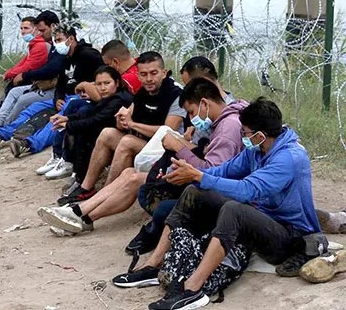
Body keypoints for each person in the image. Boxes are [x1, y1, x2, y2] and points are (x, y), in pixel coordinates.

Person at [112, 98, 320, 310]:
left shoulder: (290, 158)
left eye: (245, 133)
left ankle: (193, 289)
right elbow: (223, 171)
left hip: (289, 236)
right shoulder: (257, 149)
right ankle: (153, 266)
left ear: (260, 135)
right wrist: (191, 174)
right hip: (262, 220)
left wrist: (200, 176)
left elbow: (249, 190)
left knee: (234, 210)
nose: (243, 138)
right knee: (195, 192)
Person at [38, 77, 246, 237]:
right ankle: (79, 213)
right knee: (130, 172)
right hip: (197, 179)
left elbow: (211, 173)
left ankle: (81, 216)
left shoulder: (228, 127)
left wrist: (180, 148)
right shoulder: (226, 121)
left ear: (205, 103)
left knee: (135, 178)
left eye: (192, 112)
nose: (192, 119)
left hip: (206, 189)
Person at [57, 51, 185, 203]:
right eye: (143, 74)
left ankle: (104, 195)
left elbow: (167, 132)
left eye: (153, 73)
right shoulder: (142, 93)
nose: (149, 79)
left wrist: (133, 125)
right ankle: (86, 187)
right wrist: (122, 121)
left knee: (127, 142)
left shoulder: (176, 95)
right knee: (108, 133)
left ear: (164, 73)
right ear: (138, 75)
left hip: (167, 151)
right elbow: (126, 117)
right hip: (145, 144)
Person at [33, 39, 142, 178]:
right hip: (112, 111)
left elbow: (102, 98)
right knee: (74, 105)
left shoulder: (129, 78)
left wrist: (86, 85)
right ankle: (62, 156)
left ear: (115, 62)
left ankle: (76, 167)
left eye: (108, 65)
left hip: (118, 119)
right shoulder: (136, 65)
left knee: (84, 115)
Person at [7, 26, 103, 159]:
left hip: (81, 98)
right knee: (33, 107)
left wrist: (92, 89)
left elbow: (103, 77)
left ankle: (28, 144)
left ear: (70, 39)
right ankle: (4, 133)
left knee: (60, 115)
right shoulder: (65, 58)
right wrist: (58, 98)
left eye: (59, 40)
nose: (57, 44)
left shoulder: (88, 55)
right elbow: (61, 84)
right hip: (66, 97)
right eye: (55, 41)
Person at [0, 10, 63, 146]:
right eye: (21, 28)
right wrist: (13, 73)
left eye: (41, 30)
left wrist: (22, 75)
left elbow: (39, 68)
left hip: (53, 89)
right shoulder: (48, 46)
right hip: (48, 86)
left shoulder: (46, 46)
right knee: (14, 92)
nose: (40, 33)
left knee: (22, 99)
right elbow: (26, 63)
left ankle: (3, 130)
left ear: (53, 27)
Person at [40, 66, 133, 183]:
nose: (103, 88)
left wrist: (68, 125)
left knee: (85, 130)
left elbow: (97, 120)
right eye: (99, 84)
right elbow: (95, 112)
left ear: (117, 83)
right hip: (112, 134)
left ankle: (81, 176)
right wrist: (67, 118)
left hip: (123, 139)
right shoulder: (111, 97)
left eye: (107, 83)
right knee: (83, 114)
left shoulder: (120, 99)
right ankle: (74, 169)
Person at [3, 16, 49, 85]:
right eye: (21, 28)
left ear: (35, 29)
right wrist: (10, 72)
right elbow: (23, 62)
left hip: (37, 82)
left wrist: (9, 74)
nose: (23, 32)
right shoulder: (34, 44)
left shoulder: (40, 46)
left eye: (26, 28)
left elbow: (29, 67)